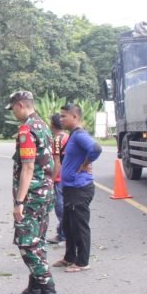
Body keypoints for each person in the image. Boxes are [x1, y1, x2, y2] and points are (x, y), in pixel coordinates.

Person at [6, 90, 61, 294]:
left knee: (27, 244)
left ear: (20, 105)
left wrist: (19, 202)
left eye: (13, 108)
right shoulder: (43, 125)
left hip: (32, 197)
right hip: (44, 193)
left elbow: (28, 167)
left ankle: (49, 293)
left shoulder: (27, 130)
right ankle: (35, 288)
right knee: (38, 241)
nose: (13, 113)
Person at [54, 103, 102, 273]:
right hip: (70, 188)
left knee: (79, 226)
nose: (60, 119)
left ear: (74, 117)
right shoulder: (73, 135)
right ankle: (69, 257)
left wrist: (86, 164)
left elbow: (96, 148)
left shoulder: (80, 135)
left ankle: (82, 262)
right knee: (68, 225)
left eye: (64, 116)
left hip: (79, 188)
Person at [47, 113, 69, 244]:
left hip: (59, 179)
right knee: (64, 207)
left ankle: (64, 234)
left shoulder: (57, 140)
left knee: (60, 208)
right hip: (67, 177)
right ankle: (62, 233)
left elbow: (57, 162)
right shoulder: (66, 136)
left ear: (52, 124)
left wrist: (51, 180)